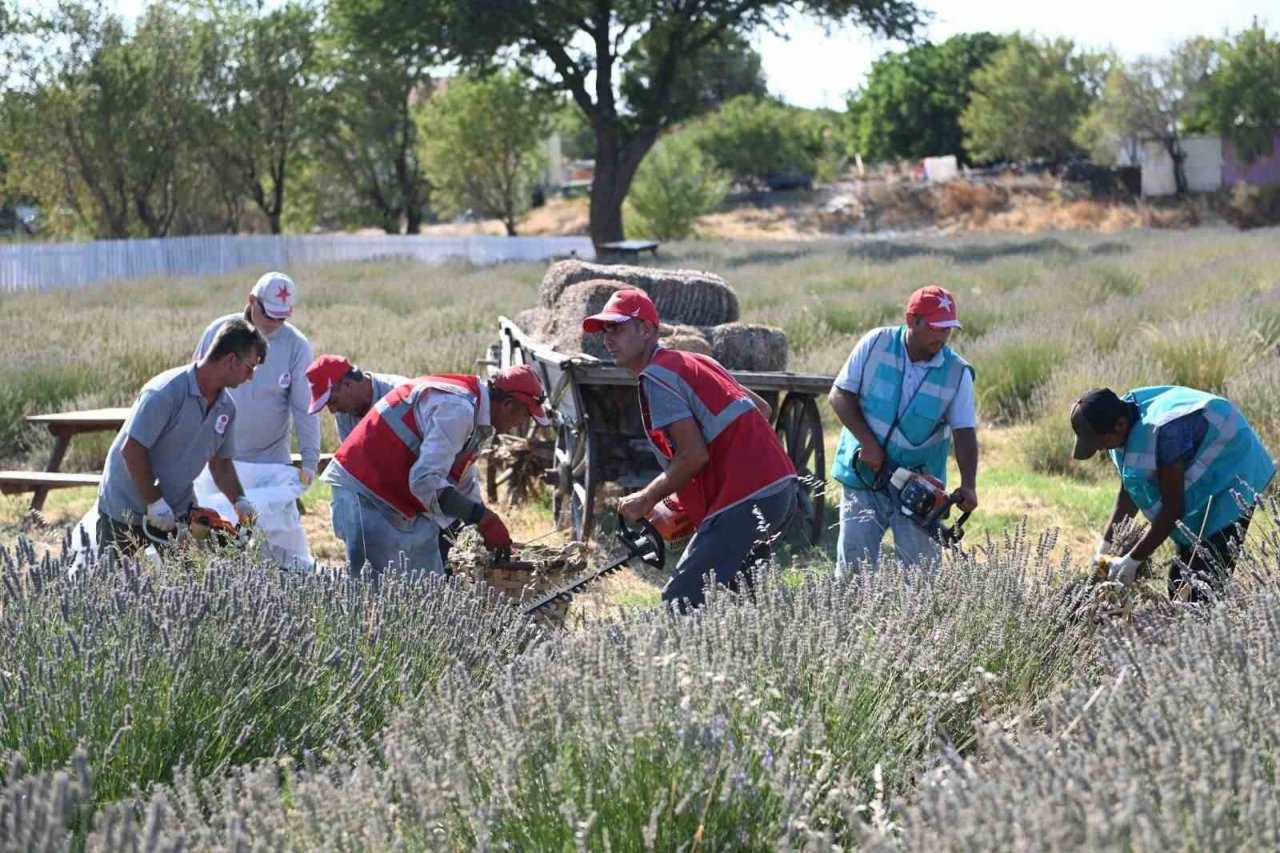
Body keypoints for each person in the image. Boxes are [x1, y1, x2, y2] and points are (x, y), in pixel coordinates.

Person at [582, 289, 797, 610]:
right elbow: (762, 410)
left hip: (744, 496)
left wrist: (645, 498)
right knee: (751, 601)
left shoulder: (656, 377)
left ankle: (682, 661)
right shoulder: (699, 361)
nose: (608, 339)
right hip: (779, 489)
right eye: (605, 331)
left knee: (680, 600)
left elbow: (693, 455)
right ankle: (766, 656)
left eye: (618, 328)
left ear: (646, 329)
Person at [318, 365, 549, 577]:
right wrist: (482, 517)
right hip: (362, 493)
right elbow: (425, 482)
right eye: (526, 414)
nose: (521, 423)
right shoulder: (458, 410)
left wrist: (478, 528)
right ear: (508, 404)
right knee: (379, 595)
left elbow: (461, 481)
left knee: (428, 588)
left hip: (389, 494)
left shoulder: (473, 410)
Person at [1071, 386, 1275, 602]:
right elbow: (1127, 495)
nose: (1101, 449)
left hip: (1236, 469)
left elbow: (1174, 510)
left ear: (1120, 424)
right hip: (1204, 476)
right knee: (1179, 582)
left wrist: (1131, 562)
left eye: (1101, 442)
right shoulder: (1117, 422)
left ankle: (1209, 632)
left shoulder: (1165, 431)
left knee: (1201, 590)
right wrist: (1103, 550)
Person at [828, 285, 979, 576]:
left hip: (919, 489)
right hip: (864, 478)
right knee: (851, 576)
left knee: (921, 582)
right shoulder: (876, 343)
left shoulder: (957, 372)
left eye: (948, 328)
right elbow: (840, 395)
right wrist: (868, 444)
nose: (943, 335)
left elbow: (964, 432)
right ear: (912, 320)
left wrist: (969, 483)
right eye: (936, 327)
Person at [97, 319, 267, 556]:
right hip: (126, 504)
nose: (250, 377)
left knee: (191, 584)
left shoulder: (226, 408)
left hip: (178, 507)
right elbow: (132, 450)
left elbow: (221, 464)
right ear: (231, 360)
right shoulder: (165, 392)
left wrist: (239, 500)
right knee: (111, 585)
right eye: (250, 368)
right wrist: (154, 502)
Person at [193, 271, 321, 486]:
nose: (273, 323)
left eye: (281, 318)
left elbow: (304, 408)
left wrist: (309, 464)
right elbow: (194, 392)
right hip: (217, 460)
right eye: (268, 315)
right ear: (251, 300)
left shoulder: (297, 345)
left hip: (270, 462)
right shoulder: (217, 331)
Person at [303, 354, 409, 442]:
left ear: (348, 384)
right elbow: (351, 464)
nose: (332, 410)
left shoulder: (403, 396)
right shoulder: (343, 416)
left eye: (332, 401)